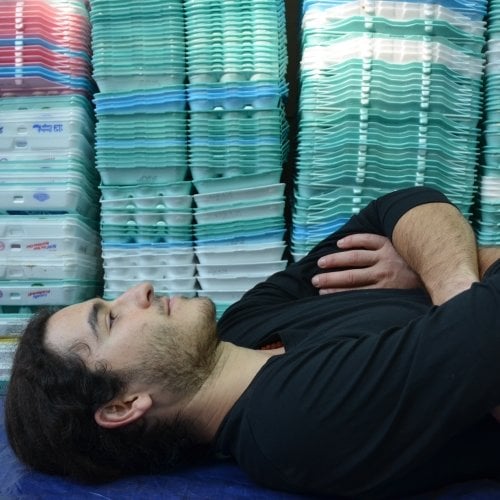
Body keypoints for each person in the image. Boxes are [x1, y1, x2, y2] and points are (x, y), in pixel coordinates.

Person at [6, 186, 500, 499]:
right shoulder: (292, 421)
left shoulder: (244, 326)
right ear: (123, 405)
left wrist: (451, 287)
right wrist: (463, 264)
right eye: (111, 319)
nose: (140, 291)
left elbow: (402, 204)